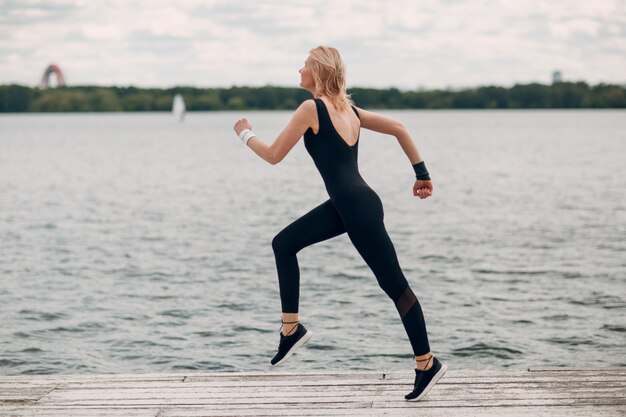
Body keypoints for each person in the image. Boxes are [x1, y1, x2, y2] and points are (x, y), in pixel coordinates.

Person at [233, 46, 447, 401]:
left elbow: (272, 156)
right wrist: (420, 173)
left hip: (357, 210)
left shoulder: (311, 109)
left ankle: (427, 364)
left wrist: (244, 133)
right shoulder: (350, 110)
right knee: (283, 244)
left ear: (317, 72)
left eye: (304, 64)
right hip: (350, 205)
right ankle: (291, 330)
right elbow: (399, 127)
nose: (299, 68)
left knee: (396, 287)